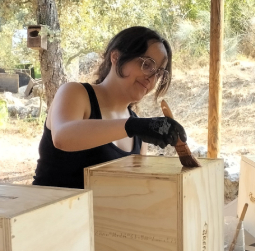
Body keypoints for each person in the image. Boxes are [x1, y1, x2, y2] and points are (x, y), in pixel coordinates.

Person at [33, 26, 187, 189]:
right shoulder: (75, 93)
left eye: (159, 73)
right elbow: (62, 137)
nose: (151, 78)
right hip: (50, 205)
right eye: (147, 64)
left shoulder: (139, 135)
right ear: (116, 57)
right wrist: (134, 126)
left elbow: (133, 191)